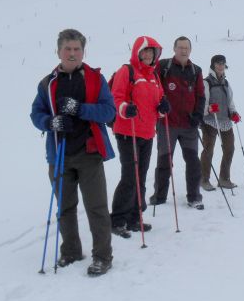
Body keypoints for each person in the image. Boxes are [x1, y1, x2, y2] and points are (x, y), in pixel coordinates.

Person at [30, 29, 115, 277]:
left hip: (89, 153)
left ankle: (102, 256)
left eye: (77, 49)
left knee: (96, 207)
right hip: (59, 155)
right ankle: (71, 251)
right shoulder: (48, 83)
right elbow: (36, 114)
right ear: (58, 51)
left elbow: (109, 113)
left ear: (83, 51)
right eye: (67, 48)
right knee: (65, 207)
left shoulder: (94, 79)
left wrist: (80, 109)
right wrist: (50, 122)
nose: (72, 53)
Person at [110, 36, 169, 238]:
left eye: (151, 52)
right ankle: (117, 219)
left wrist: (162, 109)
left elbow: (158, 102)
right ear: (137, 52)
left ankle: (135, 218)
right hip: (128, 132)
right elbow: (115, 97)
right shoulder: (126, 71)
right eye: (145, 51)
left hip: (146, 132)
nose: (148, 55)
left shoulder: (154, 77)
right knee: (129, 176)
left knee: (141, 176)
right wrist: (125, 108)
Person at [150, 36, 206, 210]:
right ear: (174, 48)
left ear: (190, 50)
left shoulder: (196, 70)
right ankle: (159, 196)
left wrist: (197, 115)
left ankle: (194, 196)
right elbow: (154, 87)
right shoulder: (164, 67)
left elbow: (201, 96)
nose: (183, 51)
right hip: (167, 123)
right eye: (180, 47)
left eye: (186, 48)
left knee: (193, 162)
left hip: (189, 125)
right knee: (164, 161)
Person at [200, 55, 241, 191]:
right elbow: (202, 103)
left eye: (223, 63)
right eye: (218, 63)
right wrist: (209, 109)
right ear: (213, 65)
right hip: (210, 121)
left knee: (229, 148)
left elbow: (230, 101)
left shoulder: (226, 83)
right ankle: (203, 179)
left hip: (225, 121)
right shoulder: (206, 82)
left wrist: (233, 113)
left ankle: (224, 179)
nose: (220, 66)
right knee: (208, 150)